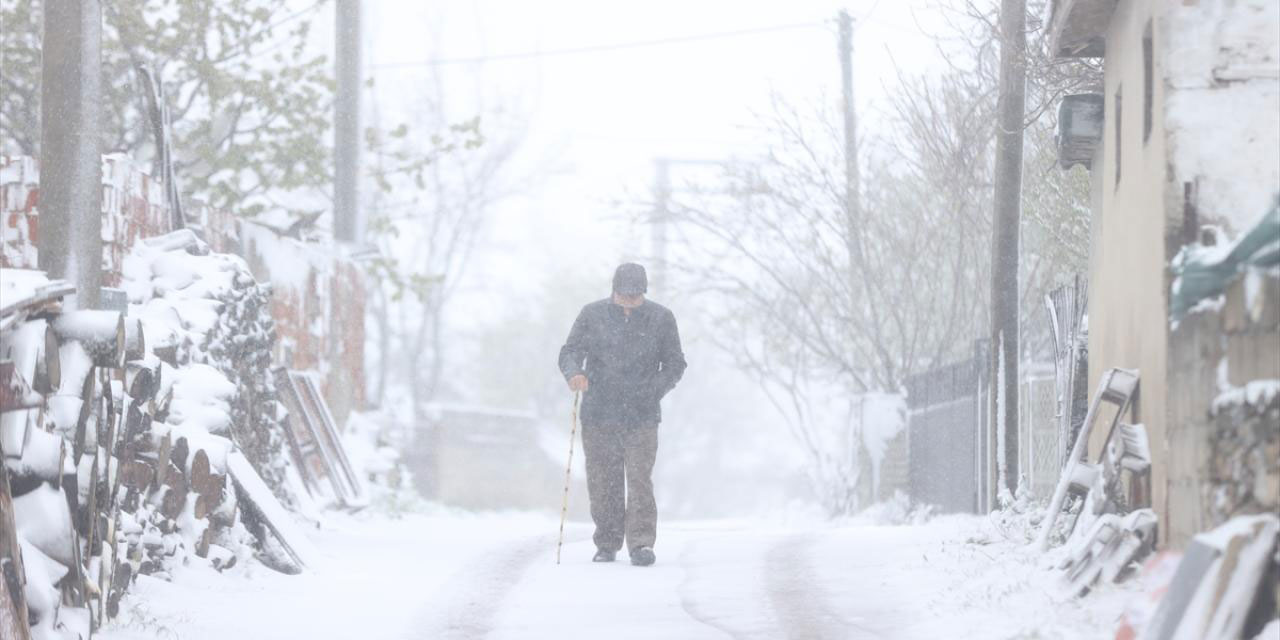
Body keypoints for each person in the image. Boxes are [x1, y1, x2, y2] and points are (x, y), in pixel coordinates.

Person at [558, 263, 687, 567]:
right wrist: (574, 373)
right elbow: (570, 351)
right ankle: (607, 541)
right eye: (624, 296)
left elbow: (675, 364)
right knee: (604, 481)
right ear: (613, 291)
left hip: (642, 416)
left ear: (644, 292)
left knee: (640, 479)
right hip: (599, 413)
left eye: (636, 296)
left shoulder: (661, 318)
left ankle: (641, 543)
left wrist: (651, 391)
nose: (629, 301)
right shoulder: (592, 315)